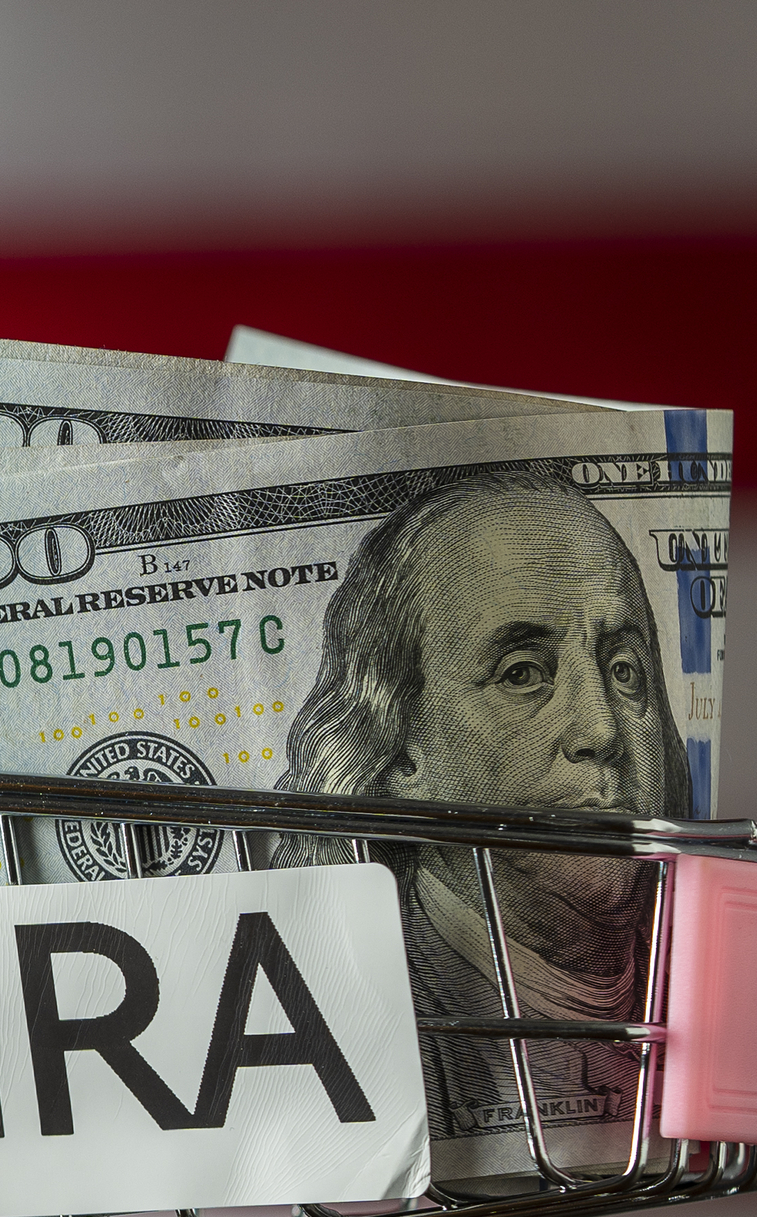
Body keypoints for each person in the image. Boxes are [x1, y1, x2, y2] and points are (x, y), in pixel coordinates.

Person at [281, 471, 693, 1171]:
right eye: (523, 673)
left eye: (625, 670)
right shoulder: (332, 1034)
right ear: (401, 748)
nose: (601, 728)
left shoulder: (695, 989)